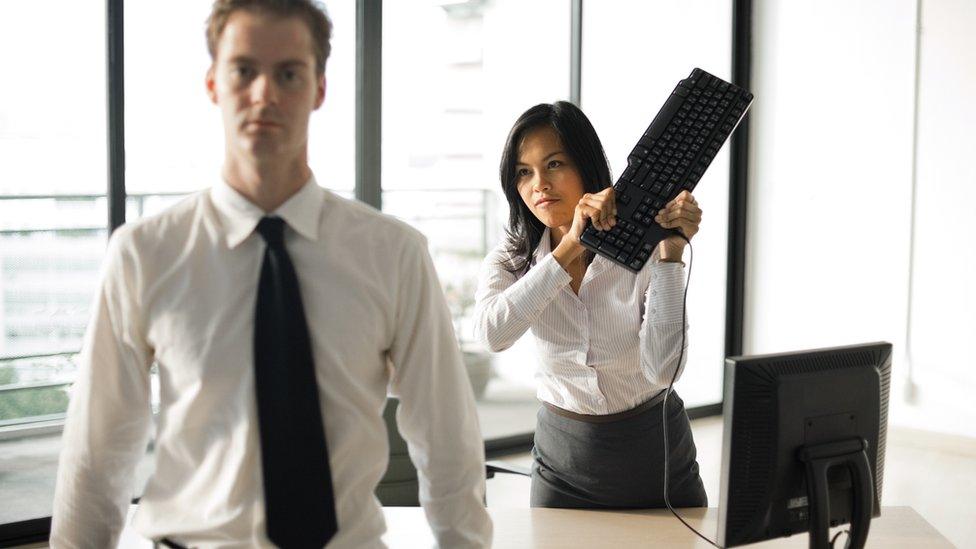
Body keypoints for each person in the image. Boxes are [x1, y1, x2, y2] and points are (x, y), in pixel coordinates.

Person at [50, 1, 492, 547]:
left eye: (288, 73)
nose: (265, 94)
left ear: (319, 88)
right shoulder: (144, 253)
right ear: (213, 83)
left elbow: (447, 440)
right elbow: (97, 454)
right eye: (244, 71)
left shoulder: (394, 253)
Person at [474, 101, 707, 509]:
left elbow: (664, 369)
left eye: (555, 164)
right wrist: (566, 250)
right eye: (524, 172)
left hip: (657, 451)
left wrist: (670, 255)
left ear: (587, 166)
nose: (539, 185)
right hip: (564, 462)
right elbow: (492, 335)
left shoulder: (646, 244)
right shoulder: (512, 257)